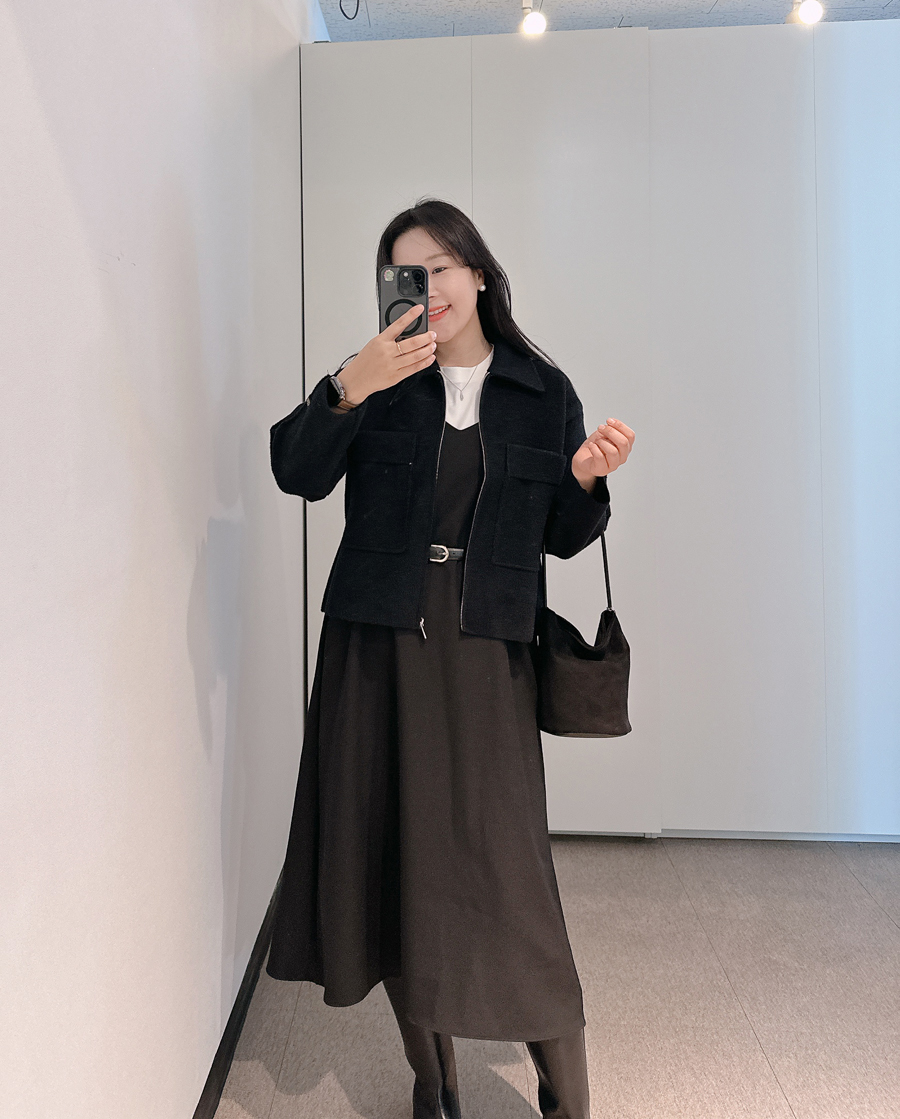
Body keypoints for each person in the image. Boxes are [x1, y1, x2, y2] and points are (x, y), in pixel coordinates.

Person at [265, 198, 635, 1119]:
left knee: (511, 878)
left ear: (477, 272)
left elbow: (560, 534)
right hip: (375, 647)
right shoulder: (376, 377)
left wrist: (586, 479)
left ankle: (567, 1097)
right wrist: (347, 386)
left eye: (439, 267)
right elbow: (297, 471)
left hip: (486, 650)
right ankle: (434, 1085)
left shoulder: (542, 390)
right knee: (397, 861)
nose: (426, 287)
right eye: (406, 272)